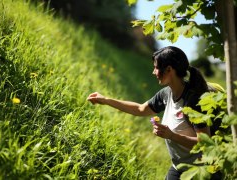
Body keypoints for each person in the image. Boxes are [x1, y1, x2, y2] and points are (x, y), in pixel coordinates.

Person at [87, 46, 213, 179]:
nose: (154, 72)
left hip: (201, 170)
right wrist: (106, 100)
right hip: (179, 167)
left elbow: (204, 142)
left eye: (156, 67)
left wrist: (171, 135)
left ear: (169, 69)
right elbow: (140, 109)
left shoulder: (193, 100)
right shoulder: (166, 94)